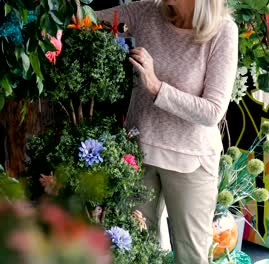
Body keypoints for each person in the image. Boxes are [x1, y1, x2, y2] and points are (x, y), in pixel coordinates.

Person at [96, 0, 238, 263]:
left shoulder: (223, 31)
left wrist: (155, 86)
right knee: (134, 251)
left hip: (191, 160)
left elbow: (212, 111)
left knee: (191, 256)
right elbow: (85, 20)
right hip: (139, 155)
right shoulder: (146, 11)